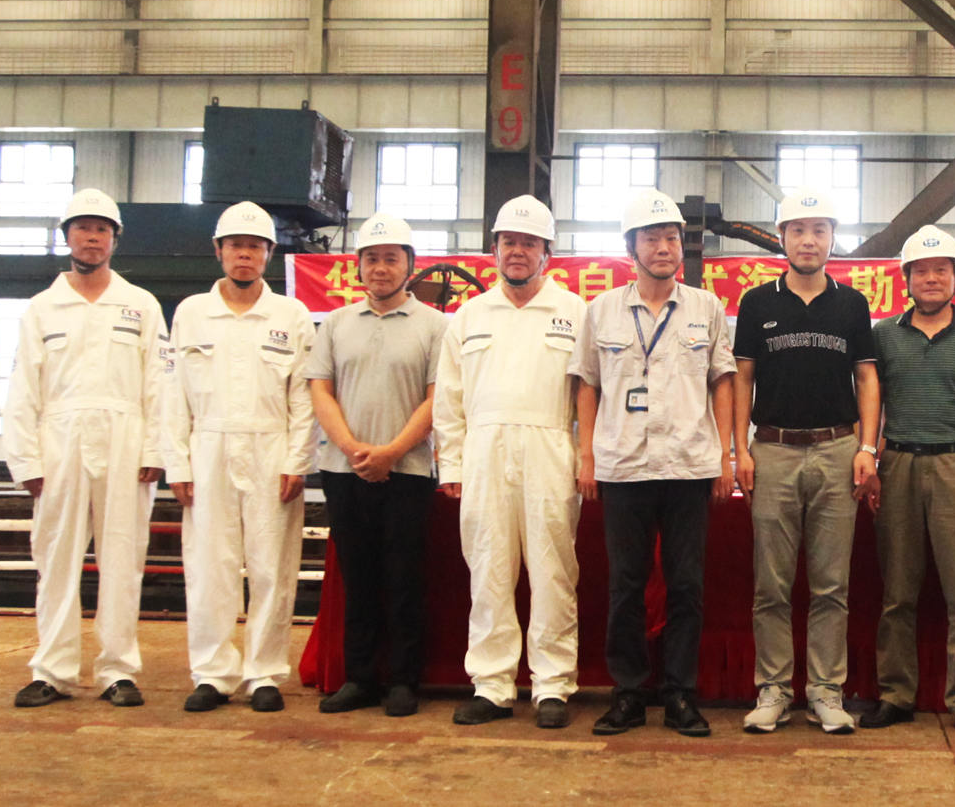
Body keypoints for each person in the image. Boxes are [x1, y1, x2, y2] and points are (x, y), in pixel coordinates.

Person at [570, 188, 736, 737]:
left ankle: (680, 694)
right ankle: (628, 694)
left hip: (689, 466)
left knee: (687, 585)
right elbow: (587, 385)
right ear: (630, 248)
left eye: (671, 238)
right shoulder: (601, 311)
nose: (664, 248)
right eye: (652, 239)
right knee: (626, 585)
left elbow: (723, 383)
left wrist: (725, 456)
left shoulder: (706, 308)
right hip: (623, 467)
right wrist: (586, 455)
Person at [4, 188, 169, 709]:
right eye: (83, 228)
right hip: (59, 445)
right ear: (68, 237)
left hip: (126, 444)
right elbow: (22, 390)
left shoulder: (140, 305)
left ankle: (118, 671)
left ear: (115, 240)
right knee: (56, 560)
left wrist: (155, 450)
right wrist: (26, 461)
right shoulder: (42, 308)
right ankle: (52, 671)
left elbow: (159, 383)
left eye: (101, 229)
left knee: (123, 560)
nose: (92, 238)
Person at [436, 196, 586, 730]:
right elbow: (449, 399)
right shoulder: (470, 316)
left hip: (551, 449)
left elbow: (589, 395)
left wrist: (584, 458)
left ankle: (552, 685)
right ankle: (493, 684)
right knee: (489, 570)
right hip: (483, 454)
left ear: (548, 253)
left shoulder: (575, 313)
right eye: (508, 243)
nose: (517, 251)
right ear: (494, 250)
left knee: (553, 571)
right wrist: (452, 466)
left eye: (529, 243)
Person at [734, 187, 880, 735]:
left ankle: (825, 690)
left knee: (831, 584)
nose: (809, 240)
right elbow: (742, 377)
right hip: (772, 450)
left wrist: (867, 447)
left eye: (819, 230)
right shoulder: (757, 303)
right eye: (798, 230)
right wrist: (739, 449)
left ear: (832, 238)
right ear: (782, 238)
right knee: (770, 585)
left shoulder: (852, 304)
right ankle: (773, 689)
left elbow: (867, 377)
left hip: (838, 451)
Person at [165, 200, 317, 714]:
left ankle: (264, 672)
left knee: (272, 568)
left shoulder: (291, 316)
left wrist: (297, 461)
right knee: (210, 567)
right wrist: (178, 464)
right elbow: (173, 395)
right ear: (219, 251)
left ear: (269, 253)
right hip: (208, 450)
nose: (244, 255)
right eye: (236, 246)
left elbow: (303, 397)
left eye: (255, 246)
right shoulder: (191, 314)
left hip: (271, 451)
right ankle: (212, 673)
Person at [861, 224, 955, 738]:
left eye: (940, 270)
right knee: (898, 590)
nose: (930, 278)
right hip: (898, 463)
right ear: (905, 279)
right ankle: (895, 694)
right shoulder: (883, 335)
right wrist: (870, 460)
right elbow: (872, 402)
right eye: (920, 271)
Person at [306, 212, 445, 718]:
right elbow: (320, 390)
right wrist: (350, 448)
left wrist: (390, 452)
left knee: (404, 578)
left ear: (410, 265)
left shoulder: (436, 326)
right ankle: (360, 678)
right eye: (371, 259)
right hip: (343, 472)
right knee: (358, 577)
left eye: (391, 258)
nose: (380, 268)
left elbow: (437, 398)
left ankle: (403, 680)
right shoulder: (336, 324)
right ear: (357, 266)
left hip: (407, 472)